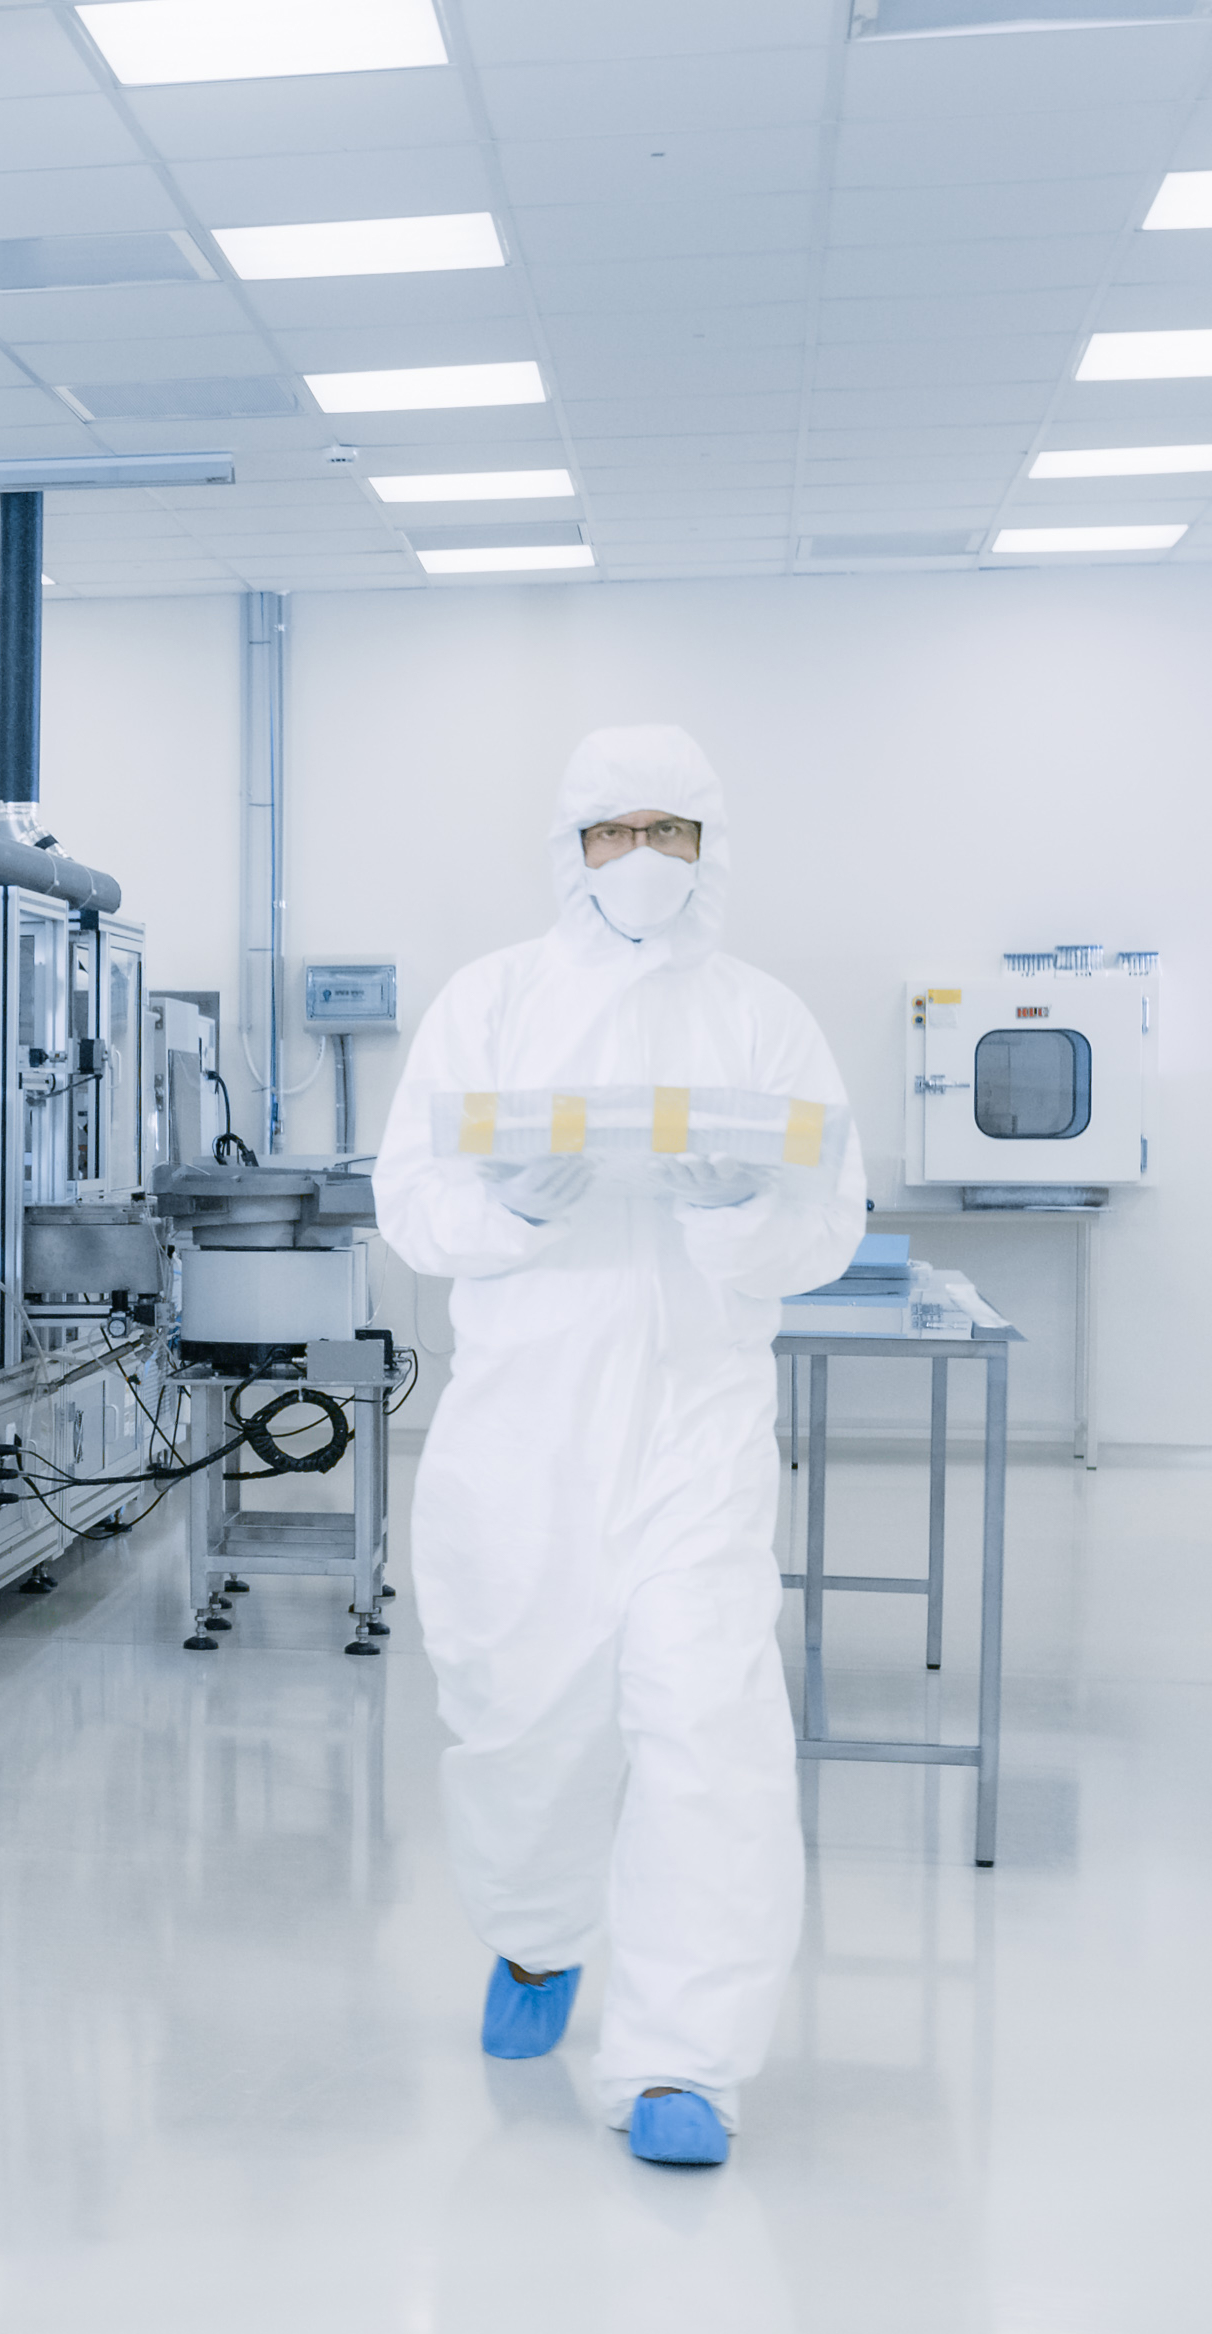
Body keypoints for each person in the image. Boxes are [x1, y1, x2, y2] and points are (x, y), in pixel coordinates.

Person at [373, 725, 867, 2169]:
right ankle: (535, 1938)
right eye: (612, 832)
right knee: (521, 1723)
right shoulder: (492, 1001)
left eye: (670, 830)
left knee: (709, 1735)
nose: (641, 859)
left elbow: (826, 1226)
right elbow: (414, 1205)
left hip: (696, 1429)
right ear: (567, 850)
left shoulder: (765, 1016)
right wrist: (514, 1205)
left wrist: (734, 1209)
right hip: (524, 1431)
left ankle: (684, 2066)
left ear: (709, 848)